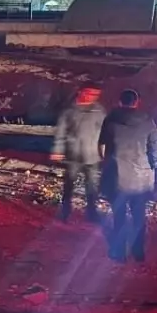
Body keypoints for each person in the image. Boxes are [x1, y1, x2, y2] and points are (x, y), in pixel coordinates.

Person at [98, 89, 157, 263]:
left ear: (120, 102)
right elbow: (156, 149)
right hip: (141, 178)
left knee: (119, 216)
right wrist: (151, 166)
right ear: (137, 102)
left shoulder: (110, 120)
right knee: (139, 215)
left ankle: (119, 252)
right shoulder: (148, 121)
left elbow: (102, 147)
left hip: (117, 177)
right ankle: (138, 251)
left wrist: (108, 164)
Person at [50, 86, 106, 222]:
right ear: (81, 92)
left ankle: (92, 213)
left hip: (92, 155)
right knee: (69, 185)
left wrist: (104, 151)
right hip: (73, 155)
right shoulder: (69, 111)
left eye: (95, 94)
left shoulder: (99, 111)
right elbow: (61, 132)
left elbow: (104, 132)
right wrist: (58, 150)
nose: (93, 97)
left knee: (92, 186)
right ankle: (65, 211)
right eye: (90, 93)